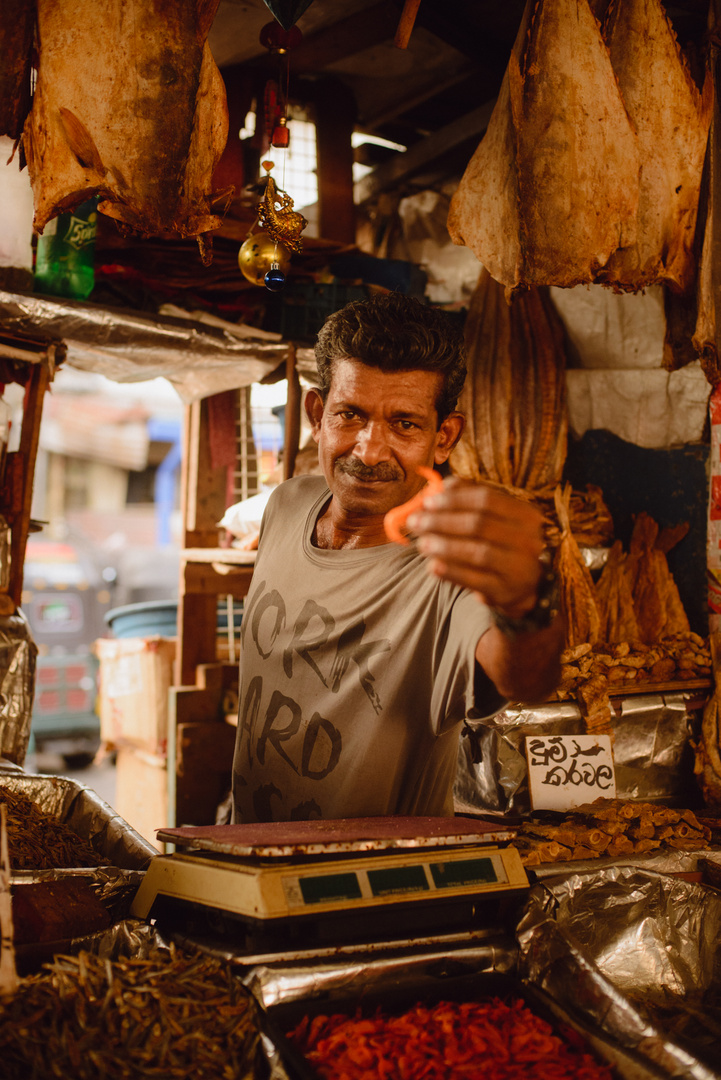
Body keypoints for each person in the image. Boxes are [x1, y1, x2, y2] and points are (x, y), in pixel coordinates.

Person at [232, 292, 563, 823]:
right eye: (350, 415)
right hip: (245, 861)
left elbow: (524, 676)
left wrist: (527, 602)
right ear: (318, 415)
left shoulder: (449, 568)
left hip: (376, 889)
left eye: (404, 424)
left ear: (443, 438)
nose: (369, 449)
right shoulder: (287, 505)